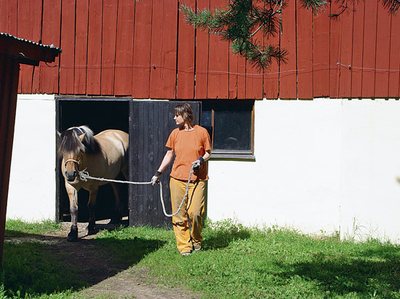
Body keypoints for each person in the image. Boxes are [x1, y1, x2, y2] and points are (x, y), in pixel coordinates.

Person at [151, 103, 211, 256]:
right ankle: (184, 246)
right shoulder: (175, 133)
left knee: (195, 212)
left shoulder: (202, 132)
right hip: (177, 178)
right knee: (179, 214)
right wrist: (158, 172)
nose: (174, 118)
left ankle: (196, 239)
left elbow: (208, 153)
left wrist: (201, 161)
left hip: (197, 179)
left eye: (176, 115)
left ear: (185, 115)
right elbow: (169, 154)